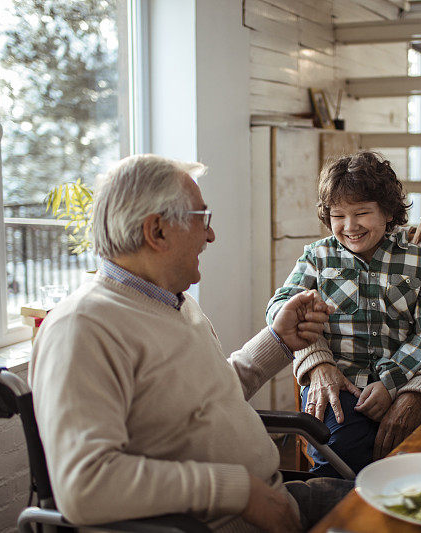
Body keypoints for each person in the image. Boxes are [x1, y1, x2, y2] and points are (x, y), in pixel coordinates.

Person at [28, 154, 352, 533]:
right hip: (225, 522)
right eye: (202, 219)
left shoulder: (172, 301)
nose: (210, 235)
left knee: (417, 502)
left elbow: (207, 397)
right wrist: (239, 492)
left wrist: (279, 340)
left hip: (274, 499)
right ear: (158, 232)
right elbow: (86, 485)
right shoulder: (82, 327)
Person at [292, 174, 421, 469]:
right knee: (348, 450)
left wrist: (412, 392)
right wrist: (318, 362)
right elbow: (295, 309)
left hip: (409, 380)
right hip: (348, 383)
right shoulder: (373, 238)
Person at [265, 151, 421, 476]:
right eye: (338, 216)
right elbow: (279, 307)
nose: (350, 226)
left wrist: (391, 383)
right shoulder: (317, 257)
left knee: (420, 460)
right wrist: (318, 358)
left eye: (362, 213)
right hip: (338, 387)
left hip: (400, 385)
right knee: (340, 455)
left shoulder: (420, 262)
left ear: (388, 212)